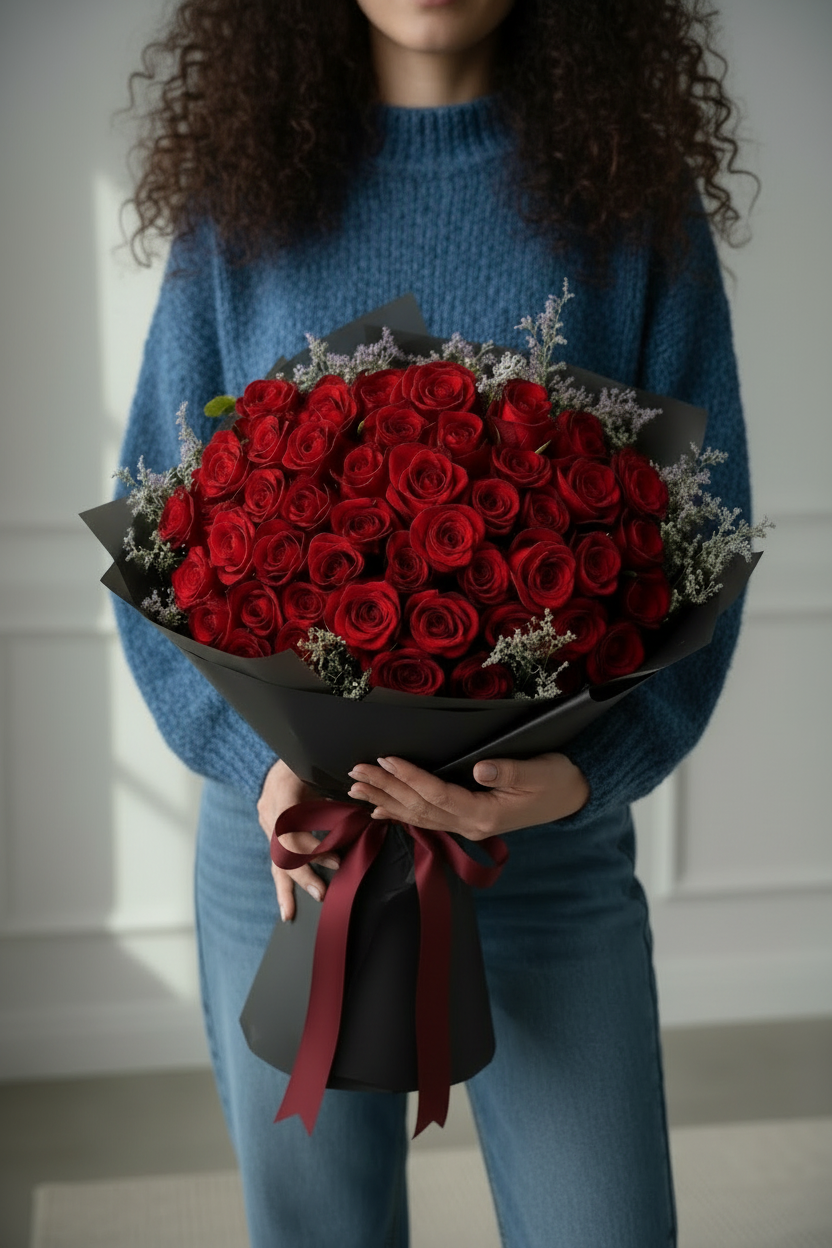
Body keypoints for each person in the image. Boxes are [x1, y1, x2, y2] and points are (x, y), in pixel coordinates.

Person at [116, 2, 753, 1244]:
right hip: (287, 862)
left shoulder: (631, 193)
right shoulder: (242, 195)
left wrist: (579, 779)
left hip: (544, 852)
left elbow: (704, 535)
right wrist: (269, 769)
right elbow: (161, 528)